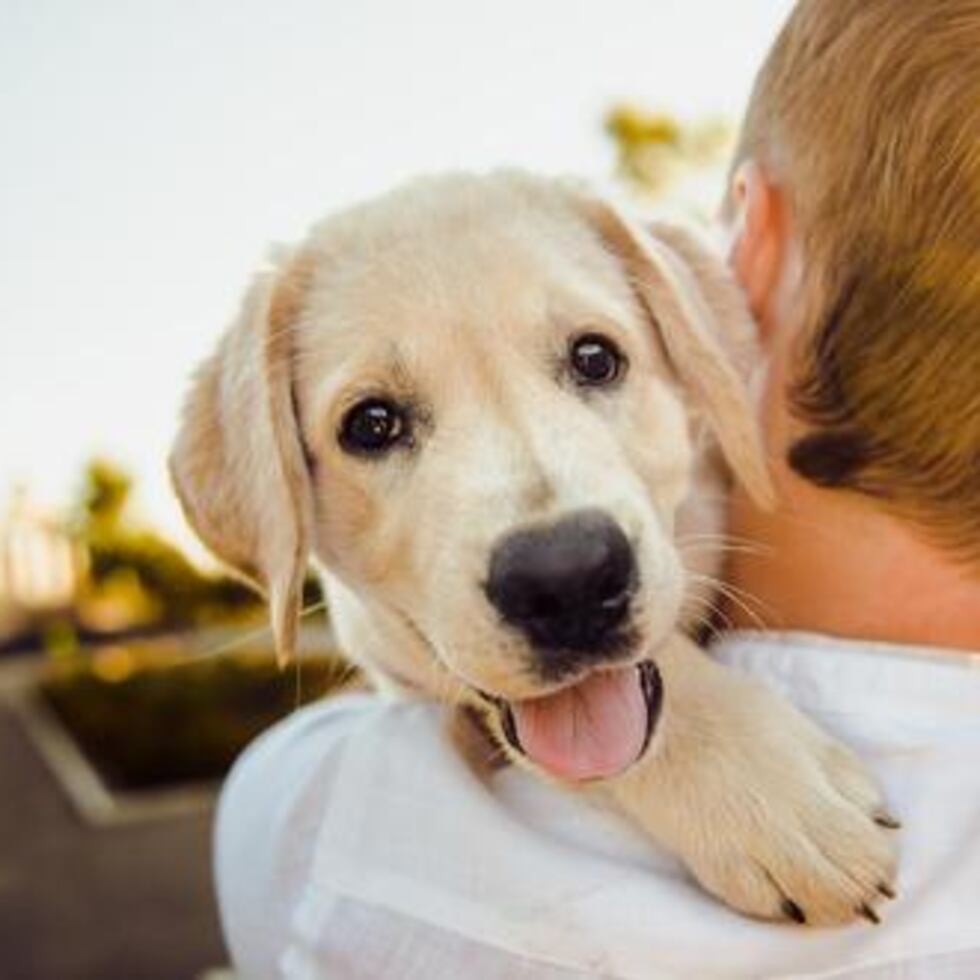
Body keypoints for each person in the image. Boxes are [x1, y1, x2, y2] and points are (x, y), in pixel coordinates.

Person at [214, 1, 980, 976]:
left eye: (590, 359)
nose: (555, 548)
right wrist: (678, 726)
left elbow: (268, 819)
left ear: (707, 321)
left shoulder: (325, 840)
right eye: (376, 424)